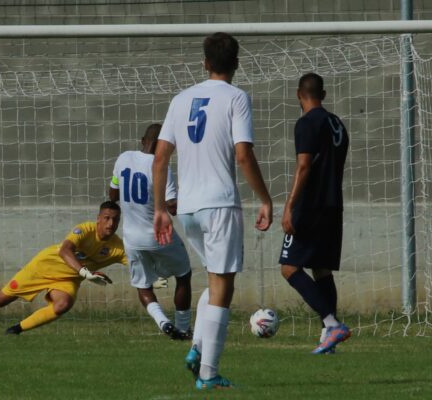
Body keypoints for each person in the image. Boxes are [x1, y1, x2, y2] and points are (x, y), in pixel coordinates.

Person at [152, 32, 273, 390]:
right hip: (219, 203)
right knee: (223, 283)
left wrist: (160, 208)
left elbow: (160, 158)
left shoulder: (180, 98)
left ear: (205, 63)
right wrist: (265, 199)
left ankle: (197, 350)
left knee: (214, 280)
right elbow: (243, 154)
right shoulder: (236, 97)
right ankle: (208, 373)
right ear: (236, 63)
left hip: (187, 208)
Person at [0, 201, 126, 336]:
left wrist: (153, 279)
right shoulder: (84, 229)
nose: (111, 223)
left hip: (67, 279)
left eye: (115, 220)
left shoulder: (118, 247)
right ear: (98, 219)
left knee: (63, 305)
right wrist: (86, 273)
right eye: (107, 218)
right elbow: (65, 251)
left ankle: (14, 331)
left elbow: (136, 264)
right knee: (0, 300)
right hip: (43, 266)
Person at [279, 72, 351, 354]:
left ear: (299, 94)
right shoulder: (338, 124)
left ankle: (332, 324)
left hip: (310, 206)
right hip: (333, 205)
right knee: (321, 269)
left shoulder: (307, 123)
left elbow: (304, 166)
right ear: (324, 93)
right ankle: (328, 339)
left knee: (289, 267)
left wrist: (289, 205)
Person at [109, 123, 192, 340]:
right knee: (183, 275)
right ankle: (182, 328)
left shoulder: (123, 158)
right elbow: (172, 207)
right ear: (165, 145)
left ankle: (162, 322)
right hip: (159, 235)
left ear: (142, 140)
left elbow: (112, 194)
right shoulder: (161, 166)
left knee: (143, 285)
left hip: (132, 239)